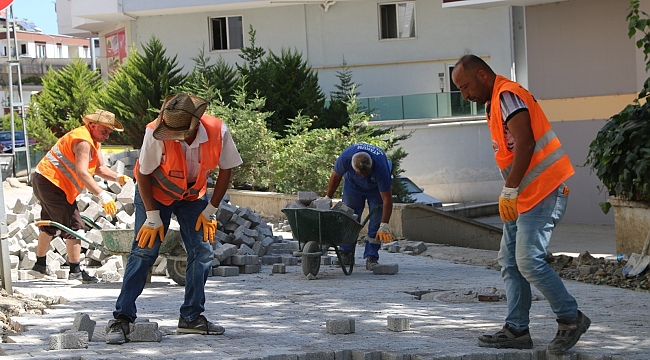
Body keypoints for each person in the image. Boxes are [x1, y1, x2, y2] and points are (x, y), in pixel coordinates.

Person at [451, 55, 590, 354]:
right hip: (524, 195)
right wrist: (513, 191)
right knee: (510, 262)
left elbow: (526, 143)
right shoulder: (495, 102)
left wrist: (510, 188)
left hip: (543, 191)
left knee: (528, 261)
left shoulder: (508, 95)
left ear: (482, 76)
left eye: (465, 87)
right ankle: (516, 329)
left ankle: (571, 318)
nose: (465, 96)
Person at [106, 93, 242, 345]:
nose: (173, 136)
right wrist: (152, 216)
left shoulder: (218, 131)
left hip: (192, 196)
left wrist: (211, 209)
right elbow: (143, 174)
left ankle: (191, 317)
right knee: (144, 252)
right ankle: (122, 318)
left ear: (195, 124)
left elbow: (227, 169)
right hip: (155, 194)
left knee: (202, 251)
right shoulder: (154, 132)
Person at [31, 110, 130, 284]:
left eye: (109, 132)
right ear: (92, 125)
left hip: (45, 180)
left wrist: (117, 177)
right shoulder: (83, 141)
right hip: (51, 182)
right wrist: (102, 195)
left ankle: (39, 266)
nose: (107, 135)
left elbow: (99, 169)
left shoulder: (94, 141)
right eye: (104, 131)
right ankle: (75, 271)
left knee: (49, 223)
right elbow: (82, 172)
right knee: (74, 225)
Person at [326, 143, 394, 270]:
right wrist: (328, 197)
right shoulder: (345, 158)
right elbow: (336, 176)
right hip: (353, 187)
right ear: (352, 166)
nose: (363, 176)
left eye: (366, 173)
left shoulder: (381, 168)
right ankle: (346, 253)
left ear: (371, 165)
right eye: (360, 173)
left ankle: (372, 256)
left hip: (375, 190)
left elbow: (387, 200)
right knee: (349, 218)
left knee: (375, 222)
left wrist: (384, 224)